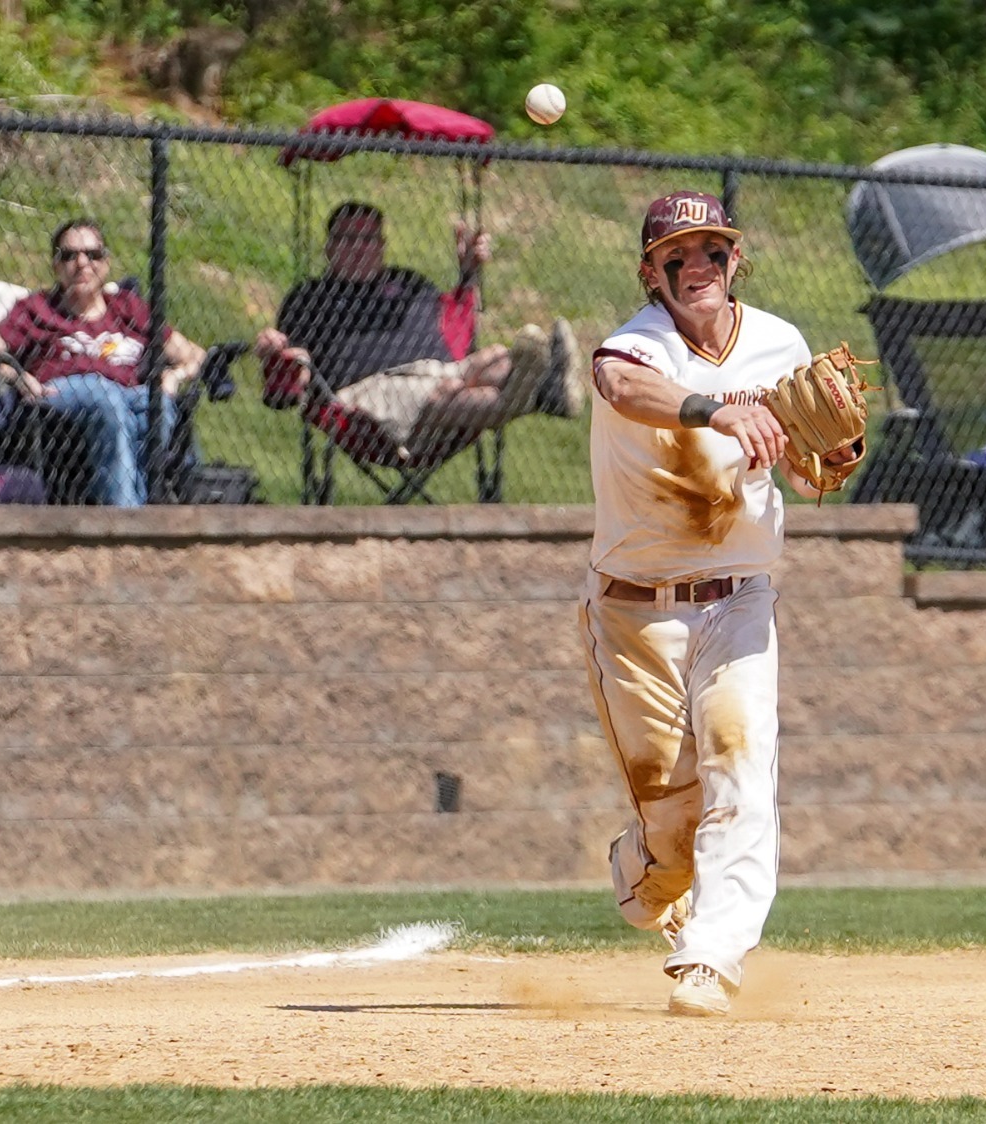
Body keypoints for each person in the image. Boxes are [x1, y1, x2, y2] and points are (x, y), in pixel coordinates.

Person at [584, 190, 854, 1019]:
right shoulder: (640, 345)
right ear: (651, 274)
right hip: (636, 614)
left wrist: (828, 457)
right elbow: (621, 387)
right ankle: (646, 881)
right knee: (672, 825)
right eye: (678, 256)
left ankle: (712, 958)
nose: (696, 266)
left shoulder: (779, 343)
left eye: (712, 252)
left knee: (741, 765)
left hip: (740, 595)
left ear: (736, 262)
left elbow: (812, 470)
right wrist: (720, 410)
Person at [253, 201, 585, 465]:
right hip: (366, 399)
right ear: (328, 247)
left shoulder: (409, 284)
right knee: (447, 391)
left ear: (382, 245)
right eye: (346, 238)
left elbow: (458, 332)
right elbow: (286, 380)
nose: (358, 247)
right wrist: (273, 355)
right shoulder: (308, 298)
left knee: (497, 357)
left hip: (436, 372)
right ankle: (544, 393)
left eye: (368, 238)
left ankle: (530, 390)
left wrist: (469, 272)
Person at [0, 218, 208, 507]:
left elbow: (195, 355)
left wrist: (174, 376)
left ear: (106, 263)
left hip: (129, 394)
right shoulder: (38, 309)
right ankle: (124, 518)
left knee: (156, 403)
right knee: (104, 396)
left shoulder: (128, 307)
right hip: (61, 393)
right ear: (56, 266)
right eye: (70, 255)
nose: (82, 263)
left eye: (93, 255)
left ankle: (147, 507)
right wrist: (17, 376)